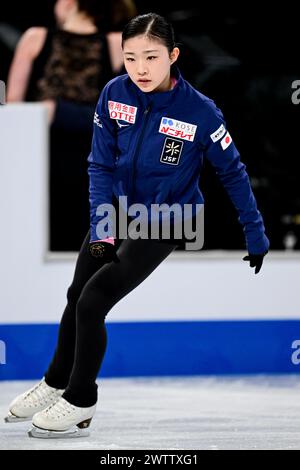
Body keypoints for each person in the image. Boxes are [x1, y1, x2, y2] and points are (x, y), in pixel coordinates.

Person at [5, 12, 269, 438]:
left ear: (173, 56)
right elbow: (98, 164)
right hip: (117, 211)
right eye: (130, 58)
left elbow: (233, 173)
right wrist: (102, 225)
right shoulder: (113, 94)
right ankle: (55, 382)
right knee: (76, 295)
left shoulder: (200, 112)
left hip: (169, 218)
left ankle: (80, 400)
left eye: (151, 57)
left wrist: (255, 233)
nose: (140, 68)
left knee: (93, 301)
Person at [6, 0, 137, 251]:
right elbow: (14, 115)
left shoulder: (117, 45)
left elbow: (127, 117)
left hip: (93, 166)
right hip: (41, 164)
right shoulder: (36, 38)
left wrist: (59, 112)